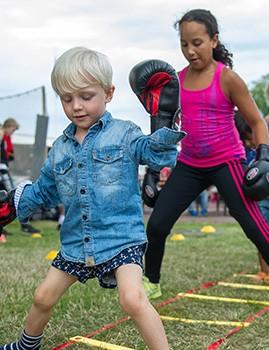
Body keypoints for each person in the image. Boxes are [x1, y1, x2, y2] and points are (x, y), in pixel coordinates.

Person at [0, 47, 186, 350]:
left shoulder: (125, 134)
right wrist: (12, 205)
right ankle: (26, 345)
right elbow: (44, 190)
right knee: (42, 297)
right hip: (76, 243)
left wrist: (164, 120)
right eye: (66, 98)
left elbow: (158, 154)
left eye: (86, 96)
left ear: (109, 93)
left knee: (132, 298)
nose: (76, 106)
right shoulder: (59, 148)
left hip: (121, 238)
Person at [143, 8, 269, 299]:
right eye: (184, 44)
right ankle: (151, 282)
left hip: (227, 162)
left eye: (196, 42)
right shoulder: (175, 81)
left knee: (255, 227)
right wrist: (152, 171)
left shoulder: (228, 79)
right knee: (158, 223)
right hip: (189, 164)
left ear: (214, 40)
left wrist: (263, 158)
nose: (190, 50)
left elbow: (257, 122)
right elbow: (164, 129)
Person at [235, 110, 269, 278]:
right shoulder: (261, 123)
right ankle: (265, 271)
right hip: (260, 195)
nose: (250, 143)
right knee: (260, 231)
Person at [0, 118, 41, 235]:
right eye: (13, 130)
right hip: (1, 169)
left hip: (3, 167)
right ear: (8, 126)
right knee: (14, 198)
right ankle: (25, 225)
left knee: (7, 199)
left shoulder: (6, 137)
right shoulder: (1, 133)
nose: (12, 133)